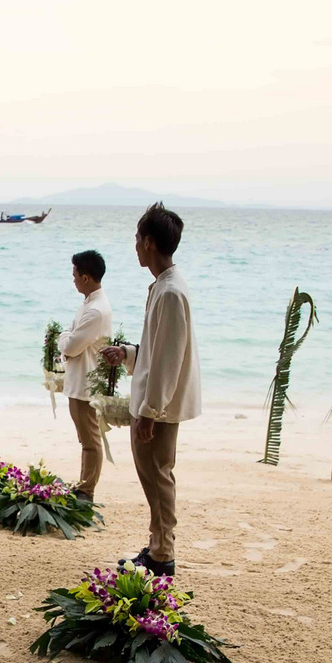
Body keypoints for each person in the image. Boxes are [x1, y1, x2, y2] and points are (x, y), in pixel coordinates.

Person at [99, 203, 200, 577]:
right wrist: (127, 353)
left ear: (151, 242)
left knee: (157, 475)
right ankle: (159, 546)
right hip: (152, 402)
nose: (136, 246)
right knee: (153, 474)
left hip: (158, 407)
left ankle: (163, 555)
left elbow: (170, 359)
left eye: (138, 239)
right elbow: (158, 349)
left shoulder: (171, 292)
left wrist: (150, 412)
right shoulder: (163, 286)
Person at [60, 250, 113, 498]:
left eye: (75, 275)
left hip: (86, 382)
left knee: (90, 440)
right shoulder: (89, 304)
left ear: (86, 277)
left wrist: (65, 342)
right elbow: (70, 338)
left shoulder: (96, 310)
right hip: (79, 380)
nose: (72, 280)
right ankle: (84, 485)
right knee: (86, 439)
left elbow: (70, 344)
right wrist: (67, 341)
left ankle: (87, 490)